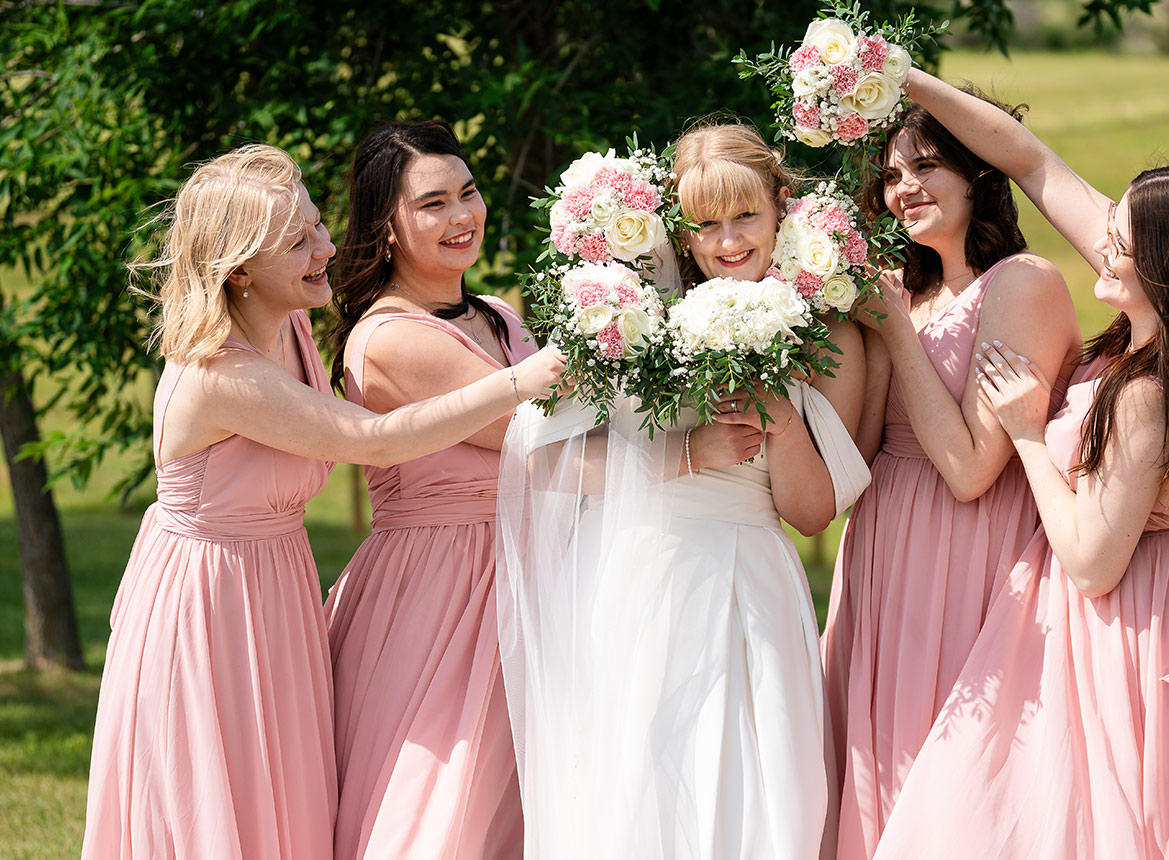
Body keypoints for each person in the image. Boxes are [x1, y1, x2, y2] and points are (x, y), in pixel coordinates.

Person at [80, 143, 564, 860]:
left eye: (317, 225)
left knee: (289, 807)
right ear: (240, 268)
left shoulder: (290, 329)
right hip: (208, 598)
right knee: (217, 805)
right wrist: (522, 382)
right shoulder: (219, 370)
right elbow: (376, 440)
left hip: (276, 584)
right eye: (299, 239)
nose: (326, 247)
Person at [866, 69, 1169, 859]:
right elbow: (1026, 158)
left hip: (1141, 631)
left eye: (1121, 242)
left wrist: (1027, 434)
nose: (1102, 243)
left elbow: (1092, 562)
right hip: (1093, 621)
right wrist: (898, 74)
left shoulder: (1150, 393)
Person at [496, 122, 871, 860]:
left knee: (764, 795)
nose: (726, 241)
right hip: (641, 573)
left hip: (753, 583)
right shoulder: (633, 320)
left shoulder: (829, 339)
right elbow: (542, 463)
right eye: (704, 224)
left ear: (779, 208)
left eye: (745, 218)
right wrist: (686, 453)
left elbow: (810, 513)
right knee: (640, 789)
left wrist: (782, 426)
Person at [820, 91, 1082, 859]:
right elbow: (861, 452)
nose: (903, 186)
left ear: (977, 174)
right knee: (875, 769)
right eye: (891, 175)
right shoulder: (903, 292)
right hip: (881, 549)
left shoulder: (1021, 283)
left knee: (956, 785)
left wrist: (890, 326)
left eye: (926, 166)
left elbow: (970, 467)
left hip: (971, 553)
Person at [322, 120, 540, 860]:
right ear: (385, 229)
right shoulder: (391, 339)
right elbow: (539, 442)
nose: (461, 217)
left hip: (521, 571)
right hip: (443, 591)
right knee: (445, 807)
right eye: (433, 203)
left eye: (468, 193)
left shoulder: (500, 316)